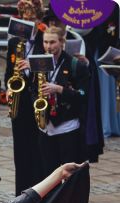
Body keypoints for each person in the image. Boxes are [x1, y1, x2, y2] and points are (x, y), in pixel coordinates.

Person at [34, 25, 89, 177]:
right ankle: (51, 201)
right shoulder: (39, 62)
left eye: (52, 42)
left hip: (67, 126)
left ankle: (70, 201)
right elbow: (33, 89)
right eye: (45, 42)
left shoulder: (75, 65)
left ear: (62, 42)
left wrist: (59, 89)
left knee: (69, 174)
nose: (48, 46)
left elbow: (83, 96)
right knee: (48, 174)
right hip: (46, 127)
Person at [6, 0, 44, 198]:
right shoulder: (14, 42)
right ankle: (20, 195)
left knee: (36, 150)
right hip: (19, 103)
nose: (28, 23)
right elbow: (7, 75)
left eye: (32, 20)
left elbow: (49, 68)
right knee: (20, 151)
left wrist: (30, 66)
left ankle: (37, 195)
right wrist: (9, 88)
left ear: (38, 21)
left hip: (37, 101)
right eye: (24, 19)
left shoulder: (44, 40)